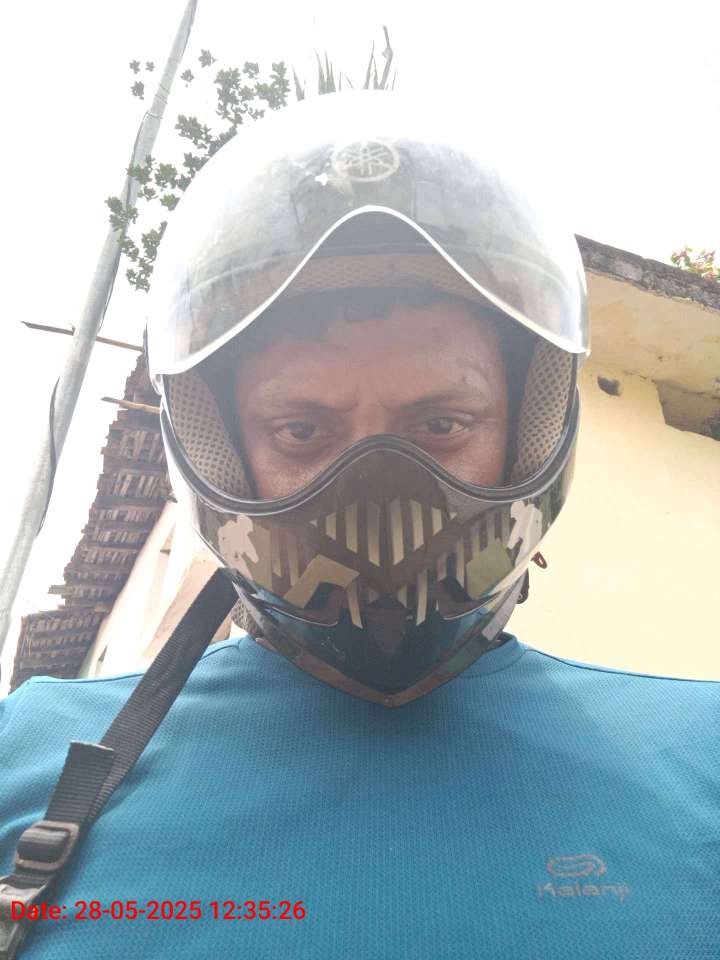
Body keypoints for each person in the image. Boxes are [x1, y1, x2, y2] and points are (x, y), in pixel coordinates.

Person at [1, 91, 718, 960]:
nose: (379, 491)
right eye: (302, 432)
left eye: (441, 424)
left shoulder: (704, 755)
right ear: (220, 451)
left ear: (528, 434)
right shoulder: (27, 758)